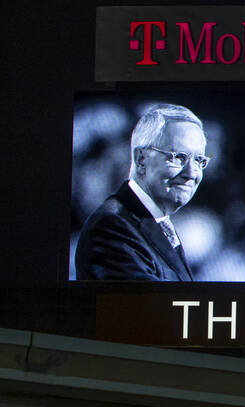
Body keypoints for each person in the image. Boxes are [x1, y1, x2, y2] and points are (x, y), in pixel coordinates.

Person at [75, 103, 209, 281]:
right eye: (178, 157)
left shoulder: (155, 222)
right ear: (141, 159)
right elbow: (147, 306)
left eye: (199, 160)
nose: (192, 173)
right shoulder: (112, 226)